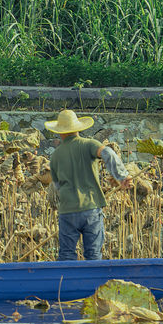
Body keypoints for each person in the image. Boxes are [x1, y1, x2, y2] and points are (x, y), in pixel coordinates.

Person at [44, 109, 132, 262]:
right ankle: (93, 285)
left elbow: (57, 185)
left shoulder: (55, 156)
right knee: (93, 255)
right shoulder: (88, 144)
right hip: (90, 208)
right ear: (77, 128)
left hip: (67, 211)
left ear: (60, 132)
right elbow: (108, 153)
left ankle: (65, 285)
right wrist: (122, 176)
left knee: (66, 256)